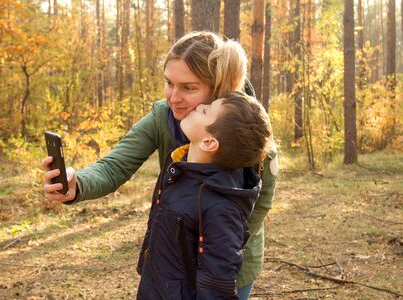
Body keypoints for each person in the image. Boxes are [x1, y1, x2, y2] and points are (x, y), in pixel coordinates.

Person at [42, 31, 278, 298]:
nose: (173, 98)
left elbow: (262, 201)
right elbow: (115, 165)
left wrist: (210, 246)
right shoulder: (163, 116)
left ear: (218, 88)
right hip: (167, 266)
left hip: (228, 270)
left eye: (188, 87)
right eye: (169, 83)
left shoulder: (250, 128)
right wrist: (79, 184)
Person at [136, 91, 272, 299]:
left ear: (209, 142)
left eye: (206, 110)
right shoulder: (178, 168)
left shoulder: (221, 207)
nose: (199, 106)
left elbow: (217, 285)